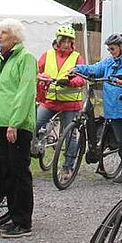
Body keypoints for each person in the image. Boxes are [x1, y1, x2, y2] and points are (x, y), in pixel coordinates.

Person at [0, 18, 37, 237]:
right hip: (0, 122)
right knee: (5, 170)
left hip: (17, 125)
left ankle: (23, 221)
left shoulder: (25, 59)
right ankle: (13, 217)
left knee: (19, 171)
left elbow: (25, 93)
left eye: (3, 32)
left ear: (14, 37)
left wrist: (15, 123)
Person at [72, 33, 122, 185]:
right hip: (114, 111)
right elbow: (94, 68)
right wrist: (77, 69)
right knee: (121, 143)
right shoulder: (109, 63)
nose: (110, 51)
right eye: (109, 49)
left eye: (112, 48)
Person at [33, 25, 86, 157]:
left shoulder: (77, 57)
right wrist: (40, 77)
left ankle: (68, 166)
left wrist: (69, 82)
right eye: (63, 41)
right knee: (32, 125)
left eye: (69, 42)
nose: (66, 44)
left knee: (69, 135)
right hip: (50, 101)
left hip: (70, 104)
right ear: (57, 41)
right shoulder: (47, 55)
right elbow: (35, 71)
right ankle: (33, 148)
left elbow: (82, 79)